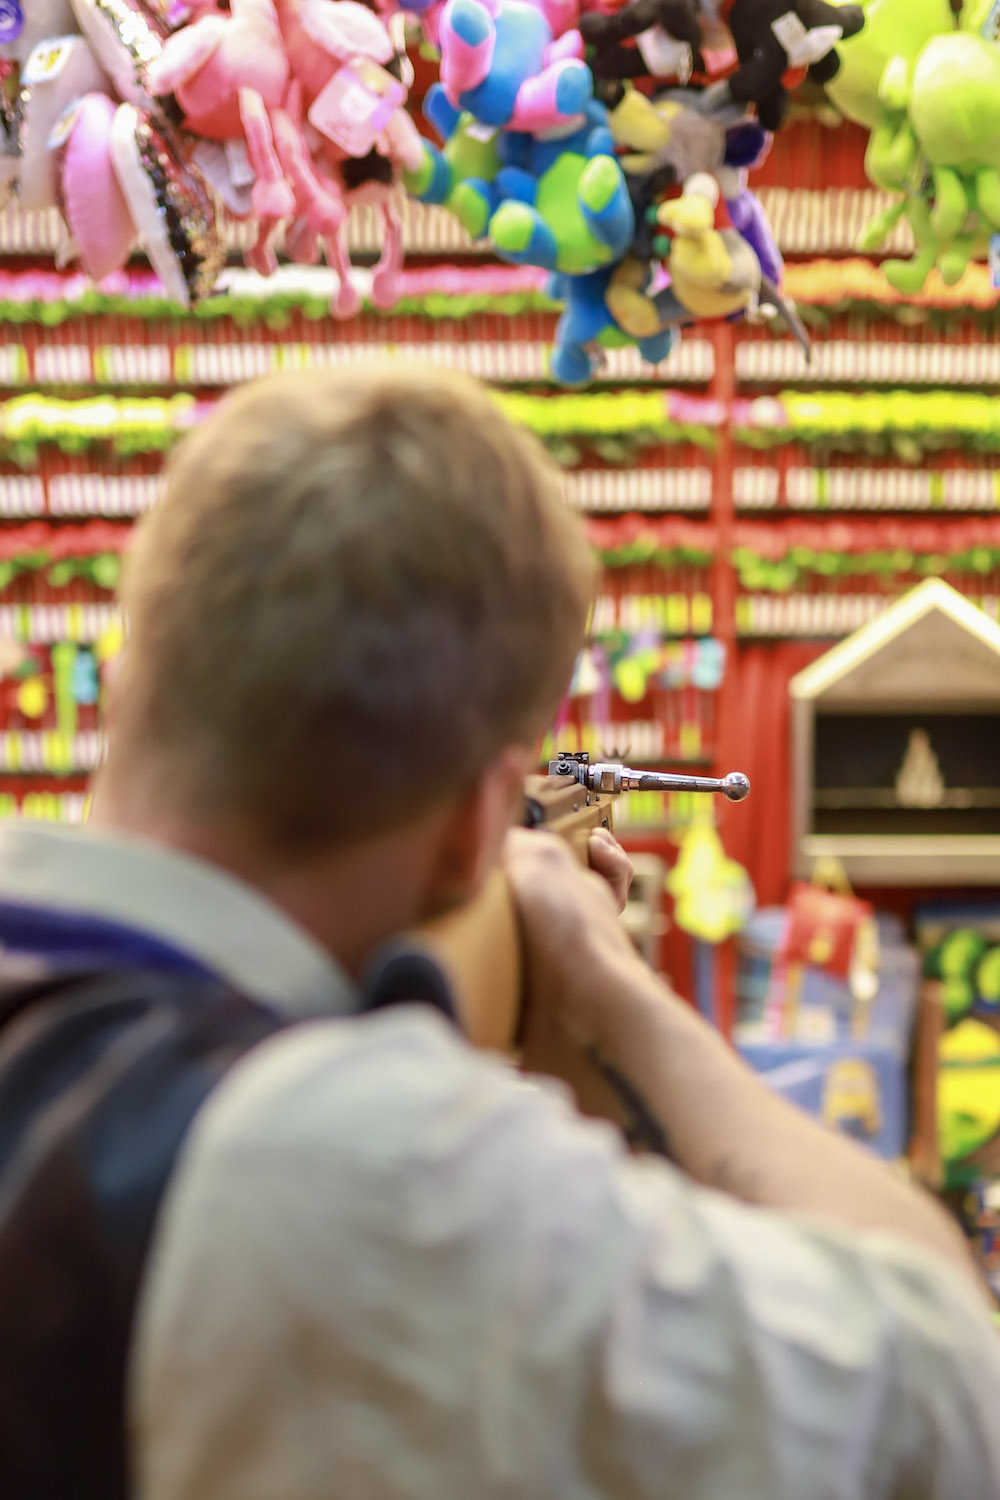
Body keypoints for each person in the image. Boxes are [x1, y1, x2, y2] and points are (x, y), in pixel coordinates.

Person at [0, 364, 997, 1500]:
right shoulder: (341, 1161)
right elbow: (943, 1394)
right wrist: (612, 994)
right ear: (475, 828)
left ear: (130, 678)